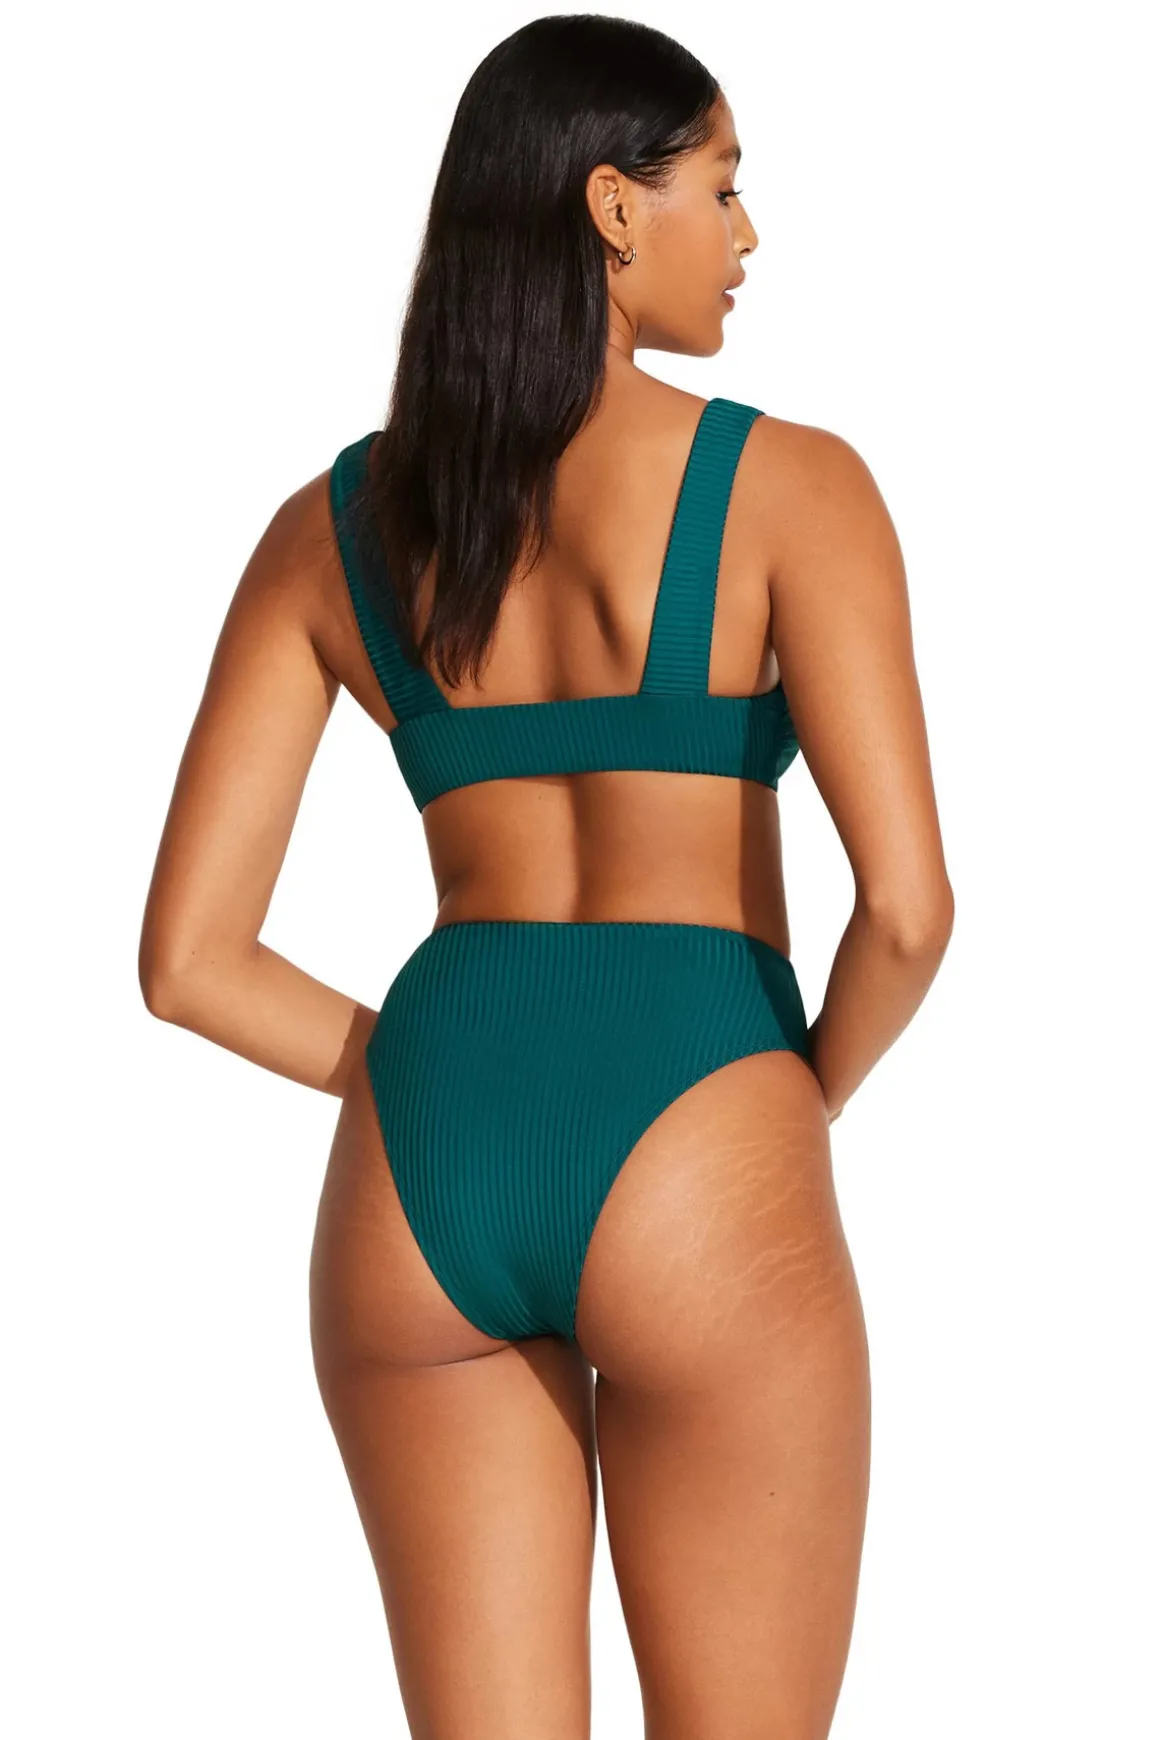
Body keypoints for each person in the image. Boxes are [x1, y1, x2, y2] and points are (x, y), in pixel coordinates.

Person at [139, 15, 954, 1738]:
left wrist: (427, 1075)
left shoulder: (334, 528)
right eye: (722, 186)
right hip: (701, 1118)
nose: (748, 235)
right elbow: (905, 911)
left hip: (423, 1165)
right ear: (612, 205)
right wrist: (788, 1098)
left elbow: (190, 961)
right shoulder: (793, 489)